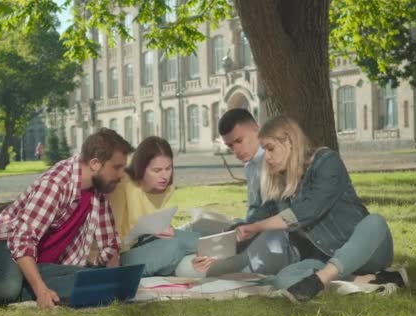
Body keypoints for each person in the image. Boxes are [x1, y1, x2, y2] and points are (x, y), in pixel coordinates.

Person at [209, 115, 400, 302]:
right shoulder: (278, 181)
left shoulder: (326, 161)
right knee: (282, 279)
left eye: (270, 148)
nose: (266, 157)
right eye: (264, 150)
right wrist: (223, 245)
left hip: (367, 252)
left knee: (375, 222)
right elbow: (255, 219)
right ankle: (364, 280)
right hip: (326, 260)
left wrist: (258, 227)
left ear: (290, 141)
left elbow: (308, 210)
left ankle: (321, 280)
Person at [0, 128, 134, 309]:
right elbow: (21, 239)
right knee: (7, 286)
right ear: (95, 164)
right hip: (5, 244)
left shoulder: (97, 192)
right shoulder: (56, 184)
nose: (121, 175)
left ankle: (25, 284)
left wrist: (115, 283)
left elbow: (110, 244)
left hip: (38, 262)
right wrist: (40, 290)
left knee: (90, 281)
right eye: (116, 167)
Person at [177, 108, 297, 277]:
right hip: (251, 229)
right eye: (230, 146)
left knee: (209, 268)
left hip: (275, 234)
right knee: (200, 224)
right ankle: (170, 240)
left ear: (257, 129)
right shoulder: (250, 164)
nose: (236, 151)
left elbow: (283, 213)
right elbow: (255, 209)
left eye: (239, 141)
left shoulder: (275, 160)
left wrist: (244, 230)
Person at [107, 136, 200, 276]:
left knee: (198, 239)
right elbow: (110, 233)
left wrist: (164, 231)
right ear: (142, 168)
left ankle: (232, 245)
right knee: (174, 247)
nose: (164, 176)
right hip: (122, 254)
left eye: (168, 168)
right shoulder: (123, 185)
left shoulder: (165, 188)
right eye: (157, 170)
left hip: (146, 241)